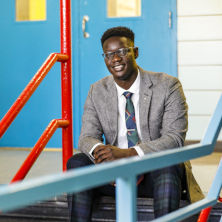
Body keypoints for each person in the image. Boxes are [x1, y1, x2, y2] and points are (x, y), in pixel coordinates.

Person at [67, 26, 204, 221]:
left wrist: (127, 154)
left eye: (122, 51)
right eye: (109, 54)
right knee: (77, 162)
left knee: (168, 164)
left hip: (153, 172)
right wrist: (106, 160)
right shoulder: (97, 90)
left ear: (135, 52)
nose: (115, 59)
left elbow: (174, 139)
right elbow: (86, 137)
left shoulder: (167, 85)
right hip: (111, 175)